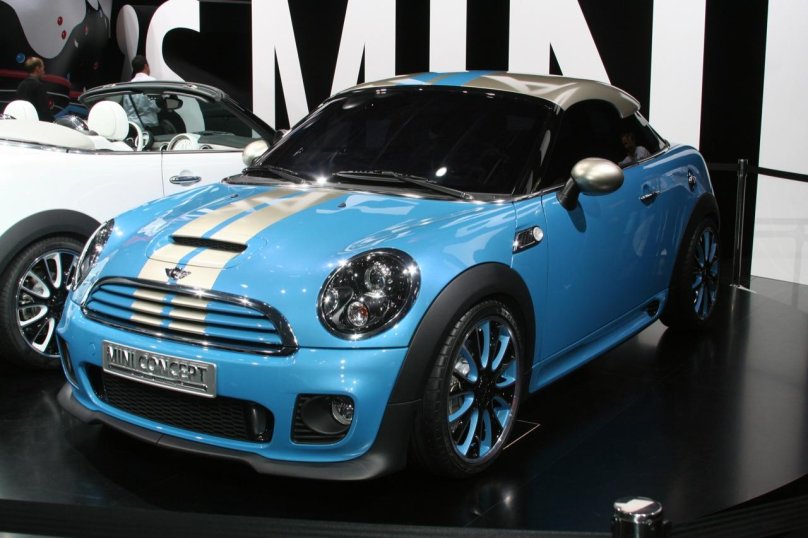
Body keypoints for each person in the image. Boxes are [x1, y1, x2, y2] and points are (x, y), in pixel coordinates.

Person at [122, 55, 161, 132]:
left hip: (133, 128)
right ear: (146, 66)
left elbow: (126, 110)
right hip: (149, 127)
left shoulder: (128, 86)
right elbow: (156, 107)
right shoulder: (152, 82)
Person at [15, 56, 54, 122]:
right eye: (43, 68)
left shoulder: (21, 85)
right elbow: (44, 111)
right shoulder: (38, 86)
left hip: (22, 122)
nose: (44, 71)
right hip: (36, 124)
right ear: (37, 68)